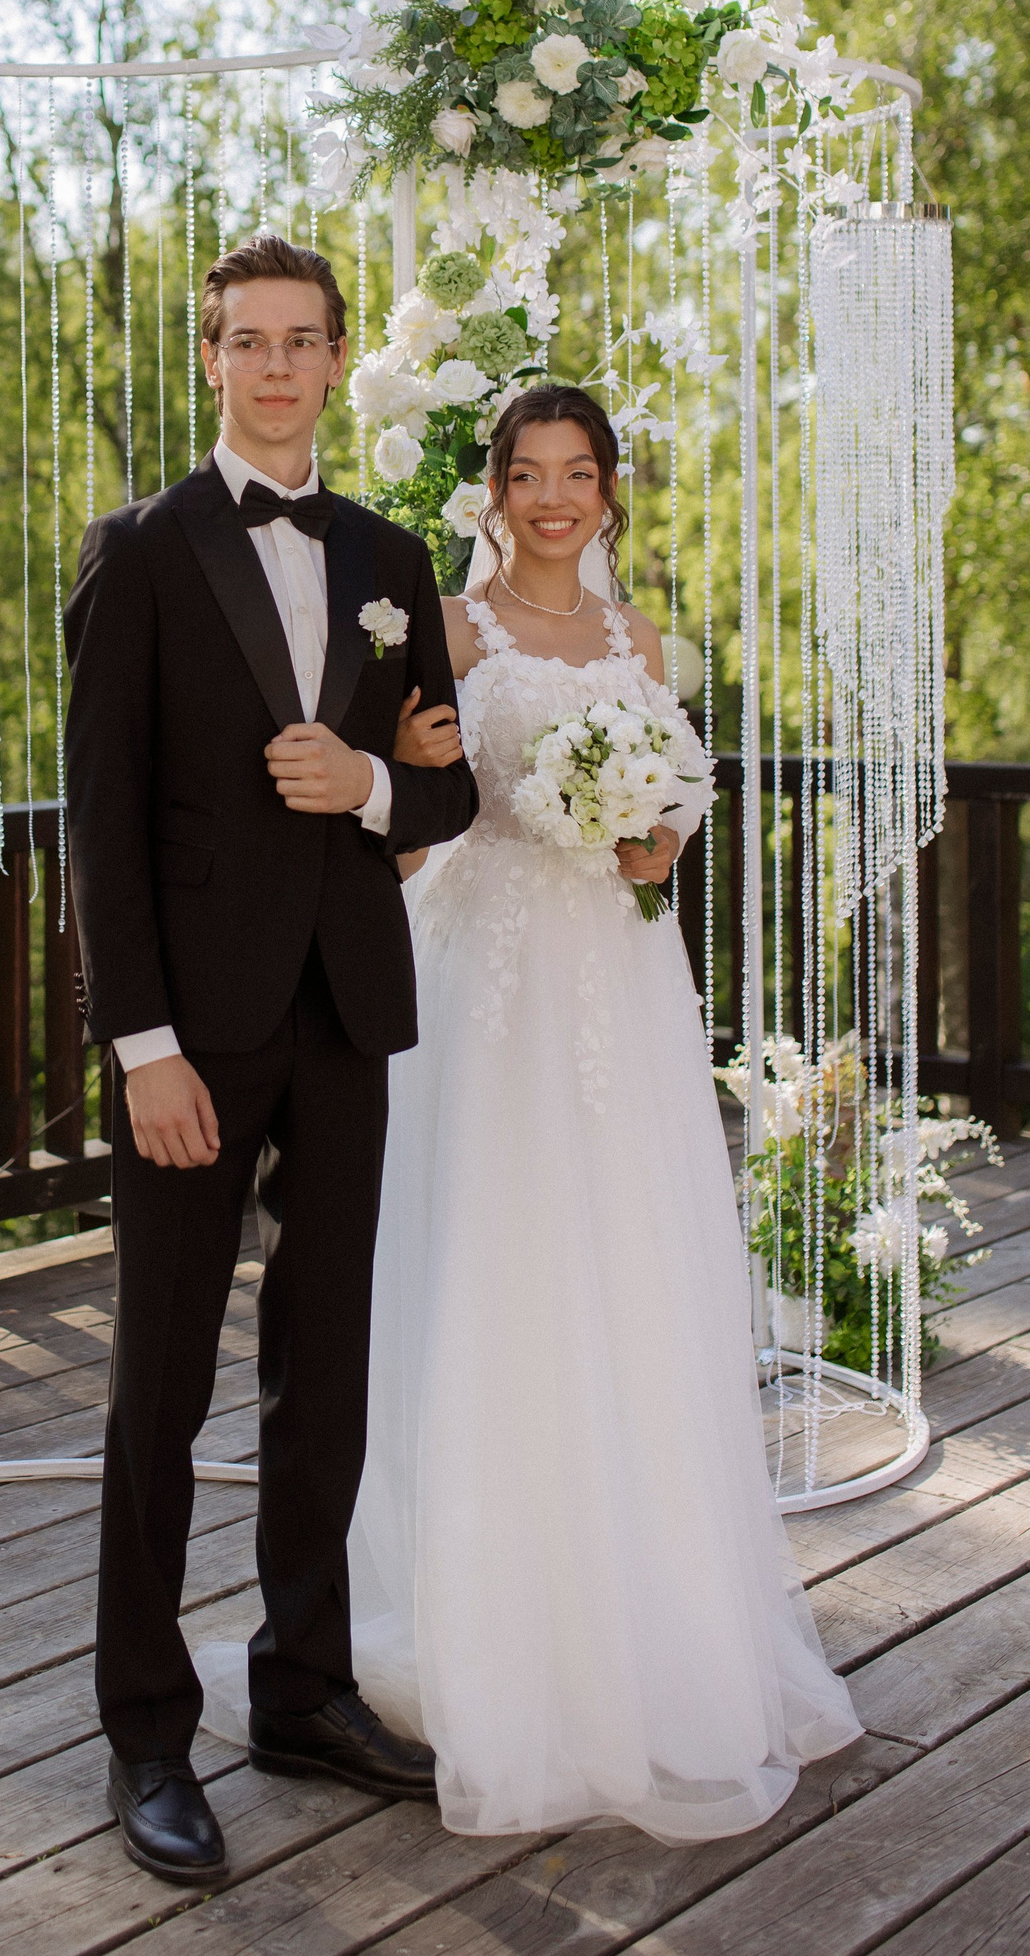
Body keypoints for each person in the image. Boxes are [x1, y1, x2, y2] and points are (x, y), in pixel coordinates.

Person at [316, 382, 861, 1838]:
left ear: (610, 490)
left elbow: (670, 812)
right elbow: (409, 822)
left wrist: (647, 839)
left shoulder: (645, 643)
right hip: (485, 985)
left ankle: (648, 1626)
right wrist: (427, 793)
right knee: (488, 1274)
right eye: (528, 473)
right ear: (492, 489)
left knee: (627, 1274)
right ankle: (480, 1633)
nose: (553, 499)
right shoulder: (445, 630)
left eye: (578, 473)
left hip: (616, 986)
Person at [64, 230, 479, 1883]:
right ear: (213, 357)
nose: (280, 366)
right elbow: (100, 825)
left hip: (347, 1014)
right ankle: (148, 1732)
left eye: (306, 340)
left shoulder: (390, 556)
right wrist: (142, 1047)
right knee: (160, 1386)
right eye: (251, 340)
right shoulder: (141, 550)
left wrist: (368, 787)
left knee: (327, 1372)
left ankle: (302, 1688)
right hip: (192, 1035)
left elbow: (444, 789)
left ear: (336, 355)